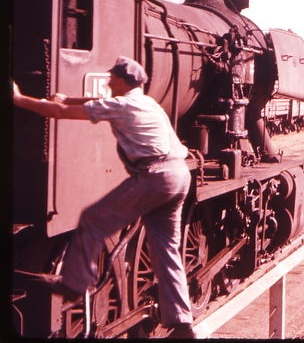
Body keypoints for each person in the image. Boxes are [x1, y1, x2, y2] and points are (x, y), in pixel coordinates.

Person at [13, 56, 196, 339]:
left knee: (92, 218)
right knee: (167, 251)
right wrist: (69, 97)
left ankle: (74, 285)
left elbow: (58, 113)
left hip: (155, 176)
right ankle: (182, 326)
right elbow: (91, 101)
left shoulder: (121, 105)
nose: (108, 82)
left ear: (122, 82)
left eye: (112, 79)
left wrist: (18, 98)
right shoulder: (147, 102)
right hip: (179, 176)